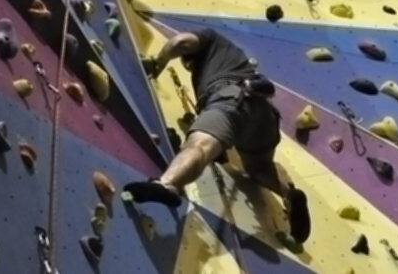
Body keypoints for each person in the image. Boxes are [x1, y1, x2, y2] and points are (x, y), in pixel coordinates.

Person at [123, 29, 311, 244]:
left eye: (188, 61)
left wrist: (158, 62)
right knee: (260, 168)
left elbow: (180, 42)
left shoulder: (211, 40)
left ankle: (167, 185)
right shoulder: (234, 60)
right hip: (264, 118)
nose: (188, 65)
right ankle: (290, 194)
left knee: (199, 145)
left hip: (231, 99)